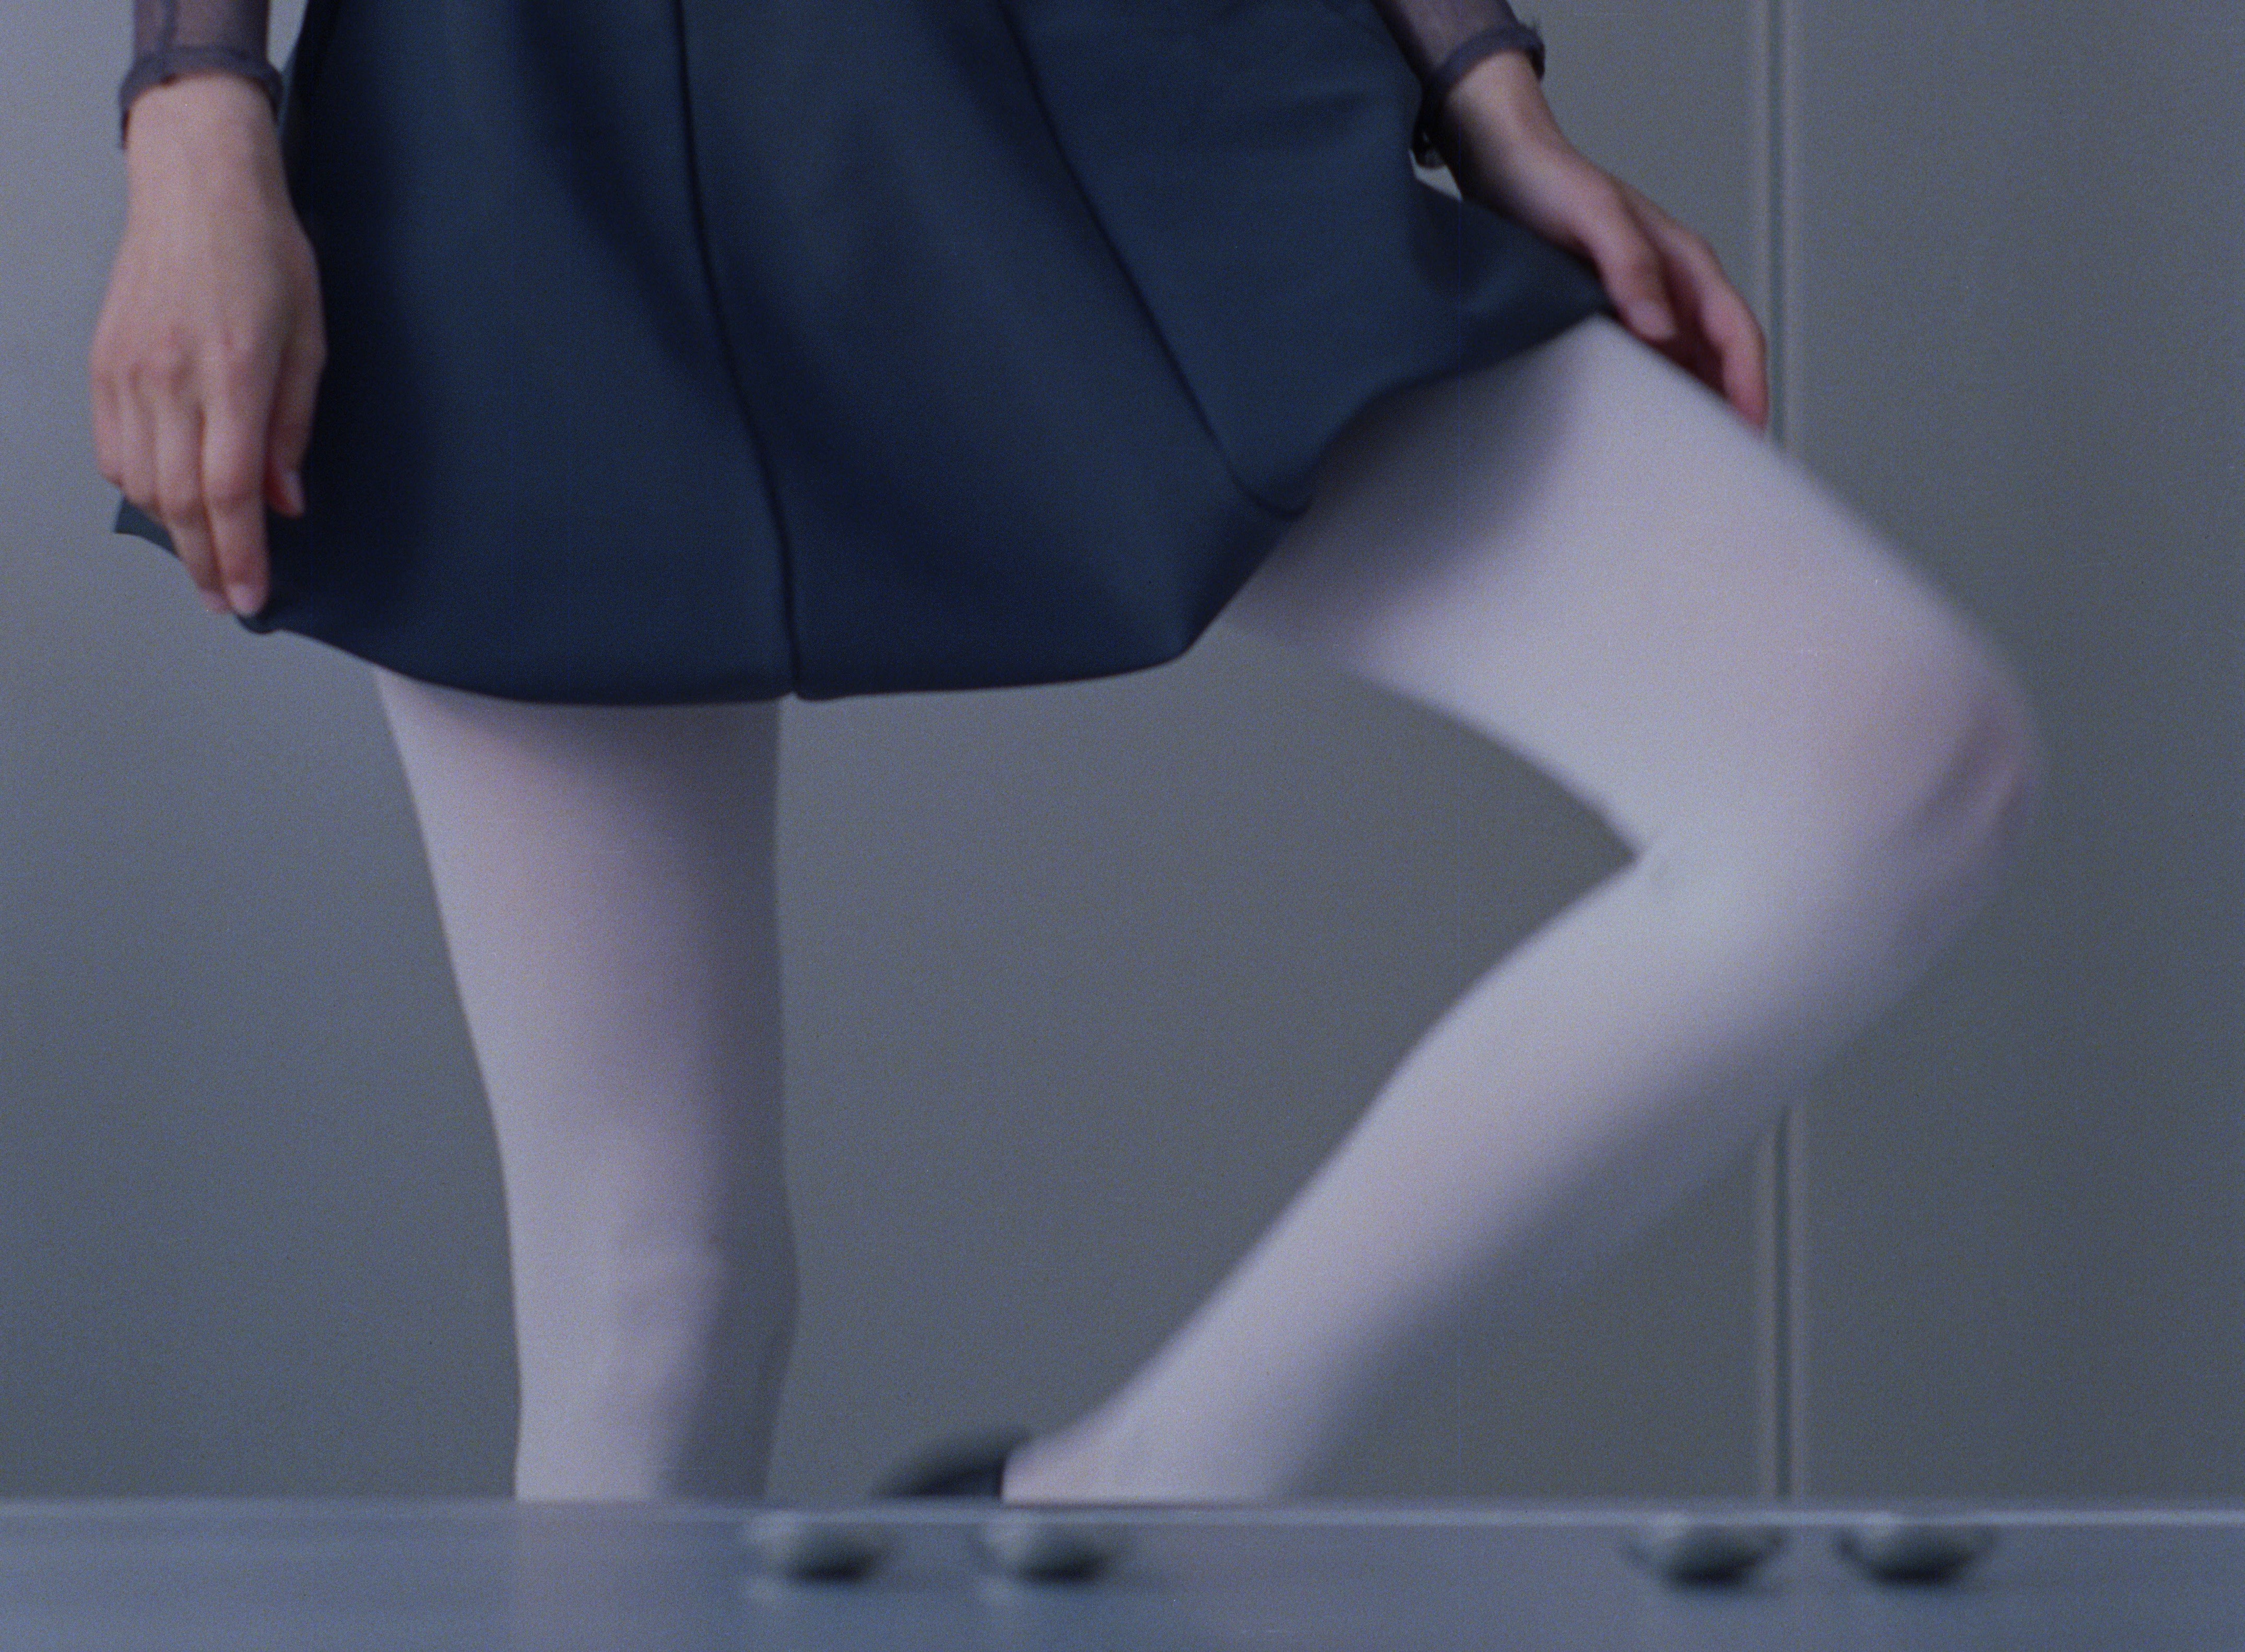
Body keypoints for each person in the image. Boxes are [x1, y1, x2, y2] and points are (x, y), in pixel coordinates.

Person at [90, 0, 2037, 1503]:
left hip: (1109, 71)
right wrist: (192, 116)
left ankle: (1131, 1509)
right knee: (649, 1300)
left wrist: (1481, 85)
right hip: (535, 113)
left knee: (1884, 757)